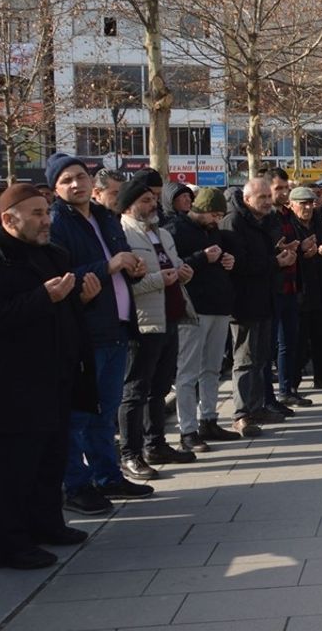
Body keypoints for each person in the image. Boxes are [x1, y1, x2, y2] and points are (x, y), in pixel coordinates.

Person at [0, 184, 101, 569]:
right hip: (11, 387)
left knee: (51, 460)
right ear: (8, 219)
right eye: (36, 214)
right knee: (12, 470)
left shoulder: (55, 254)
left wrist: (81, 299)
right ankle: (10, 544)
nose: (46, 220)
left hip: (56, 377)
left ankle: (48, 524)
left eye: (46, 212)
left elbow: (64, 313)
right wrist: (41, 299)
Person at [48, 153, 153, 515]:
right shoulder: (58, 223)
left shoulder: (106, 218)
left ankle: (108, 476)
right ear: (55, 189)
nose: (76, 184)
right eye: (66, 180)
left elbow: (121, 259)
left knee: (105, 411)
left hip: (117, 325)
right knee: (79, 414)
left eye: (80, 176)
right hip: (85, 331)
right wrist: (107, 266)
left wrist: (133, 266)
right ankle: (76, 485)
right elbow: (61, 274)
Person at [117, 176, 198, 479]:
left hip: (171, 316)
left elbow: (173, 267)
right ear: (128, 206)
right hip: (144, 322)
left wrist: (184, 273)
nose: (152, 205)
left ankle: (156, 443)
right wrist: (157, 280)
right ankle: (131, 453)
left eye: (153, 200)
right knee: (136, 390)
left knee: (161, 387)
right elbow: (126, 285)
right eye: (145, 200)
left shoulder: (162, 232)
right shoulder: (123, 234)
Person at [167, 188, 241, 452]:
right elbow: (174, 266)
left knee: (212, 369)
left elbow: (219, 259)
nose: (216, 219)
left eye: (220, 215)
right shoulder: (176, 229)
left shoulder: (213, 231)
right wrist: (202, 258)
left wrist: (227, 260)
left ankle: (208, 419)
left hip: (218, 306)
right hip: (193, 309)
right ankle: (187, 430)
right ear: (199, 209)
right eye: (213, 214)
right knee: (187, 373)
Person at [221, 177, 294, 437]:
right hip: (244, 302)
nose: (266, 202)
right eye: (261, 197)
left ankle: (256, 407)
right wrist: (277, 262)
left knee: (262, 357)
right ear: (247, 199)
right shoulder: (234, 222)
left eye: (267, 196)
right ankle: (241, 414)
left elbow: (267, 254)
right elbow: (241, 264)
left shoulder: (267, 221)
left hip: (267, 298)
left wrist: (283, 252)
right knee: (244, 359)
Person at [287, 186, 322, 392]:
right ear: (292, 205)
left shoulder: (320, 223)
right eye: (303, 203)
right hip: (300, 292)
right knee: (299, 342)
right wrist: (303, 254)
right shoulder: (288, 225)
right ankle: (292, 384)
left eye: (311, 203)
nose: (308, 207)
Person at [267, 168, 310, 408]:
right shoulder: (265, 216)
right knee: (271, 346)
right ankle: (269, 397)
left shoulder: (286, 215)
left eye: (286, 188)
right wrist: (279, 251)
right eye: (278, 189)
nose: (284, 193)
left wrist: (300, 247)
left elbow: (288, 245)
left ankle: (288, 388)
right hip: (273, 288)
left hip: (292, 285)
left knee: (289, 341)